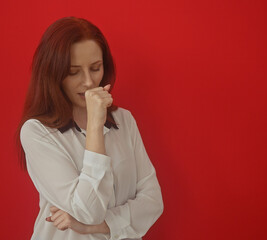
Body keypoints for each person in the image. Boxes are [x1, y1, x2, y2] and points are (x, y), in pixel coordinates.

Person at [16, 16, 163, 240]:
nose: (88, 82)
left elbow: (153, 201)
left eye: (95, 68)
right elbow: (88, 210)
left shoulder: (124, 120)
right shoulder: (37, 132)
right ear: (53, 74)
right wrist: (95, 124)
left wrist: (95, 226)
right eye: (74, 72)